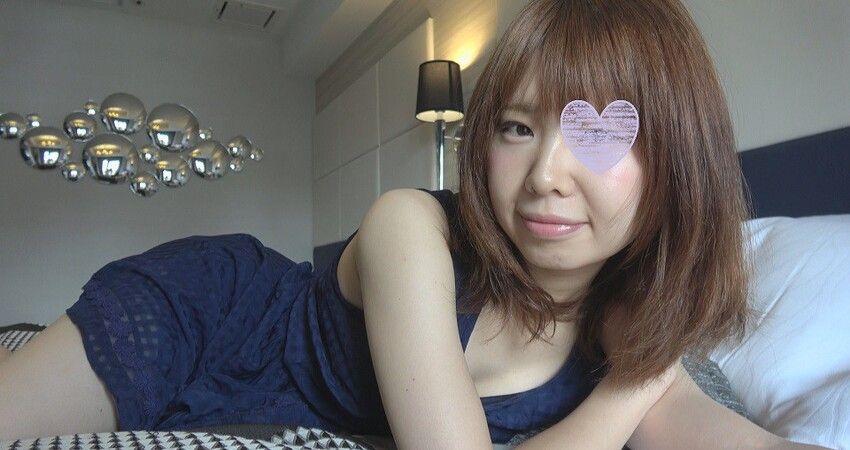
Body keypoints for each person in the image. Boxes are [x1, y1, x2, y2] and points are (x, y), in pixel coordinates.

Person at [0, 0, 834, 448]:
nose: (546, 174)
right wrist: (641, 380)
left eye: (598, 135)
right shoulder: (409, 227)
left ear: (677, 165)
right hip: (205, 316)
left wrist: (648, 369)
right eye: (517, 127)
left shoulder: (624, 328)